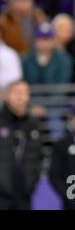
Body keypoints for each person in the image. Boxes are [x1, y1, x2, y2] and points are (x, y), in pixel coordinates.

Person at [0, 80, 42, 209]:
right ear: (6, 96)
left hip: (25, 194)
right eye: (17, 93)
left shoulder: (33, 124)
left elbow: (37, 157)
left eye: (24, 93)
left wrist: (31, 183)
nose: (21, 97)